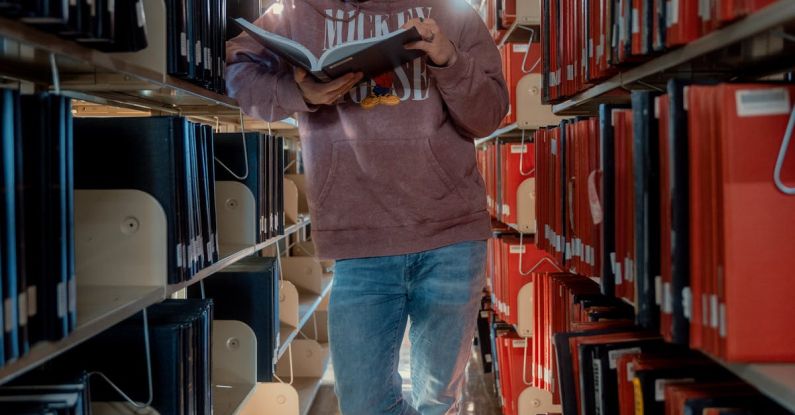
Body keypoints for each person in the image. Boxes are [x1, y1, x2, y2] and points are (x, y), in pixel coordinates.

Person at [226, 0, 508, 413]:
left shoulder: (455, 13)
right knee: (363, 404)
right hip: (359, 241)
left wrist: (450, 60)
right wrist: (296, 91)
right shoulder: (297, 12)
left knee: (438, 401)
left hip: (451, 236)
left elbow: (489, 115)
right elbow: (236, 70)